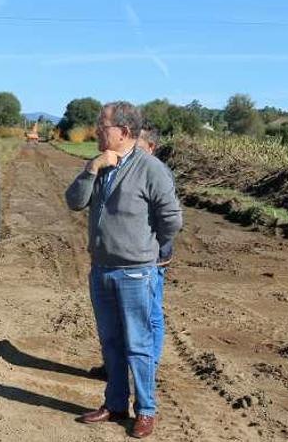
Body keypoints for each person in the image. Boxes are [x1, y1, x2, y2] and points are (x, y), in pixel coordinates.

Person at [66, 103, 182, 439]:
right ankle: (115, 403)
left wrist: (147, 251)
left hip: (136, 273)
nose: (97, 130)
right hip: (101, 270)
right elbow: (74, 201)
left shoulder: (151, 169)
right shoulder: (103, 164)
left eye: (102, 126)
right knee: (111, 343)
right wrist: (91, 168)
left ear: (124, 132)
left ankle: (145, 410)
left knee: (138, 344)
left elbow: (172, 220)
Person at [88, 126, 178, 381]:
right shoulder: (118, 169)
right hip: (129, 255)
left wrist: (151, 244)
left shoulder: (156, 172)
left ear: (151, 148)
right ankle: (116, 367)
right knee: (119, 319)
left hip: (151, 256)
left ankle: (148, 366)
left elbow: (169, 218)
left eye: (139, 148)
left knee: (150, 314)